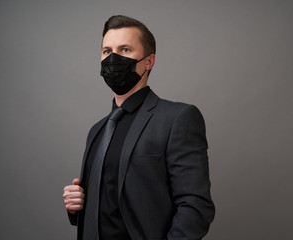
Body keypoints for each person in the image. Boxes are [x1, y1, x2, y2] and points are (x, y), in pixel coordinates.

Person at [63, 15, 215, 240]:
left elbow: (195, 205)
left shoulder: (177, 118)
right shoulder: (96, 131)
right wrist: (76, 206)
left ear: (149, 61)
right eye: (107, 51)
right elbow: (107, 201)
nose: (113, 58)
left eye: (125, 50)